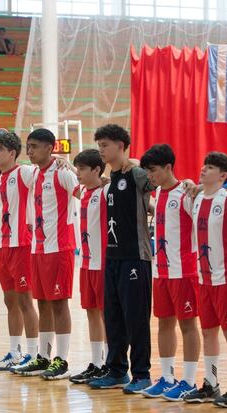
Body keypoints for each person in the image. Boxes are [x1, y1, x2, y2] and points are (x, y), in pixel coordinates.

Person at [88, 124, 153, 393]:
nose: (101, 150)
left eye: (106, 145)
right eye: (100, 145)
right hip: (112, 256)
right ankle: (116, 371)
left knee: (136, 317)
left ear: (121, 146)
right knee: (113, 317)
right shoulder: (110, 178)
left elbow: (160, 188)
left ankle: (142, 374)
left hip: (136, 256)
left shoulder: (136, 173)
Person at [136, 144, 202, 400]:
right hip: (161, 271)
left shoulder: (187, 194)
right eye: (147, 171)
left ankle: (188, 380)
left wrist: (191, 185)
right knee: (164, 323)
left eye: (153, 170)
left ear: (168, 168)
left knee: (187, 325)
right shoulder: (158, 195)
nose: (149, 176)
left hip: (184, 270)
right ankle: (166, 377)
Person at [180, 152, 227, 405]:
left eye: (210, 167)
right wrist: (188, 183)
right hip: (204, 277)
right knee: (208, 331)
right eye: (203, 165)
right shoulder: (195, 200)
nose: (203, 170)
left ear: (223, 175)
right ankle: (211, 383)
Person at [14, 128, 77, 380]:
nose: (29, 151)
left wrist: (71, 166)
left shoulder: (62, 173)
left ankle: (61, 360)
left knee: (59, 304)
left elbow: (85, 190)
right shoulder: (36, 175)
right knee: (42, 302)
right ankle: (43, 356)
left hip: (59, 248)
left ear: (50, 148)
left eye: (34, 146)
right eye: (27, 146)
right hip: (38, 248)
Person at [0, 129, 38, 371]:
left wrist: (63, 165)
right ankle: (15, 351)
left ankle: (34, 353)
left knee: (25, 300)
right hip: (4, 245)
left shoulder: (26, 172)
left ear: (12, 152)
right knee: (10, 301)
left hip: (23, 245)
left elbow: (46, 176)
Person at [69, 149, 109, 384]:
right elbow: (70, 186)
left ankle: (111, 364)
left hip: (103, 264)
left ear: (96, 169)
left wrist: (109, 179)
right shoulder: (83, 191)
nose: (78, 173)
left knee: (107, 315)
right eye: (77, 168)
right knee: (91, 313)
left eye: (82, 169)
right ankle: (96, 362)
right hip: (85, 263)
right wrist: (63, 164)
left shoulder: (106, 191)